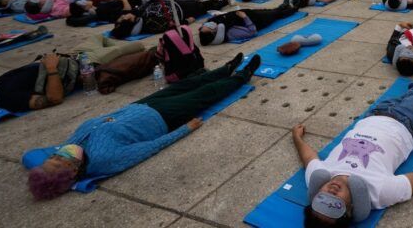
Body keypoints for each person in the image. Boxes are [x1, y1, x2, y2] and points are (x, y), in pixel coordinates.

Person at [25, 53, 261, 200]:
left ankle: (225, 69)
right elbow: (149, 148)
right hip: (162, 118)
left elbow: (29, 156)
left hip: (139, 107)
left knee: (188, 83)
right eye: (57, 161)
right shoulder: (104, 160)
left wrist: (46, 165)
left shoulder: (72, 147)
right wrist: (185, 129)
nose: (57, 154)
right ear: (72, 172)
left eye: (52, 157)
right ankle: (241, 76)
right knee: (205, 93)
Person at [293, 62, 413, 225]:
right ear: (349, 210)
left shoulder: (319, 175)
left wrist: (297, 137)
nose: (331, 192)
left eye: (322, 199)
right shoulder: (379, 192)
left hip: (373, 115)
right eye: (335, 204)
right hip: (407, 122)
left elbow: (308, 157)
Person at [0, 52, 73, 114]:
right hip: (70, 72)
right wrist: (51, 68)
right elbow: (55, 98)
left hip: (63, 62)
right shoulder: (7, 99)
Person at [198, 0, 297, 45]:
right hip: (258, 21)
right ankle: (294, 8)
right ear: (214, 32)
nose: (207, 24)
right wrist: (245, 17)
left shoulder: (215, 24)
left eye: (205, 25)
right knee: (276, 14)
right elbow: (252, 32)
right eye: (208, 26)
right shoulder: (230, 34)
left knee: (271, 11)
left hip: (251, 14)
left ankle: (284, 6)